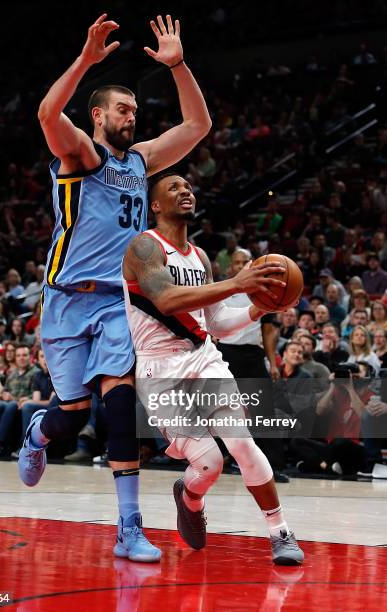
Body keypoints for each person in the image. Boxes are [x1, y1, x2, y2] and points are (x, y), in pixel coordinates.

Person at [18, 14, 212, 564]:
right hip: (64, 300)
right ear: (99, 114)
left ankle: (130, 527)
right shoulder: (80, 155)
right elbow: (47, 113)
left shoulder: (142, 160)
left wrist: (178, 66)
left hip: (117, 302)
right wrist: (85, 60)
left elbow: (197, 125)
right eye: (122, 110)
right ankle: (38, 433)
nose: (132, 116)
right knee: (72, 413)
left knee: (120, 404)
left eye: (135, 110)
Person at [123, 172, 304, 565]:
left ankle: (280, 531)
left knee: (241, 442)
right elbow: (167, 299)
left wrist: (259, 307)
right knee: (210, 463)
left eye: (189, 187)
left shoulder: (200, 256)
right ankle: (189, 497)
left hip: (206, 360)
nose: (185, 191)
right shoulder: (143, 248)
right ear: (155, 205)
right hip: (161, 371)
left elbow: (216, 322)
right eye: (174, 188)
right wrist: (237, 283)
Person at [218, 248, 290, 483]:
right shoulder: (223, 289)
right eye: (236, 262)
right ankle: (219, 460)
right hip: (224, 354)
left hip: (252, 355)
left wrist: (271, 362)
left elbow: (268, 330)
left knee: (264, 411)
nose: (239, 266)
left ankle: (274, 465)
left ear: (251, 264)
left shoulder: (261, 291)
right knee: (220, 410)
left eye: (243, 262)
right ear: (231, 267)